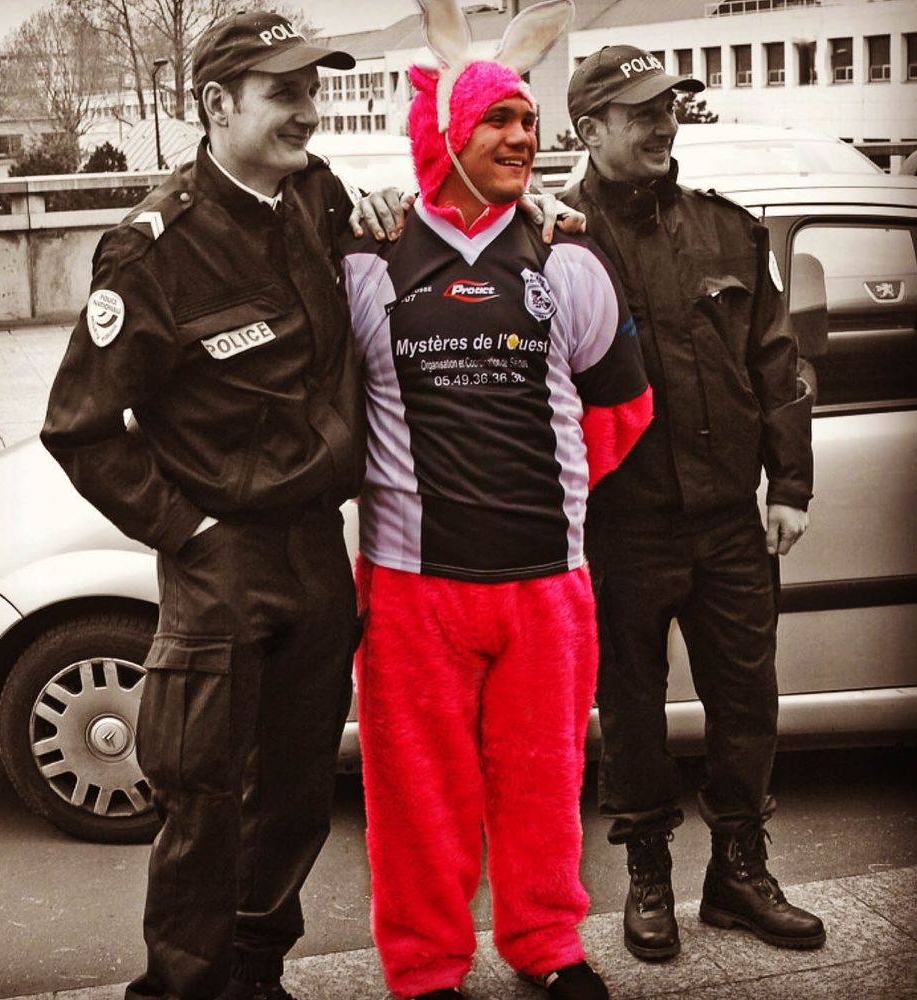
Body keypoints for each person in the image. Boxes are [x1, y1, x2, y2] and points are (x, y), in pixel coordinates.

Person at [41, 12, 375, 1000]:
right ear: (217, 104)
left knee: (297, 793)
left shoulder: (315, 197)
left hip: (316, 548)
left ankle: (257, 975)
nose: (306, 111)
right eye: (284, 93)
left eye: (311, 91)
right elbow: (80, 427)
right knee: (203, 804)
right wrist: (186, 529)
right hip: (223, 564)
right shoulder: (153, 251)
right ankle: (184, 989)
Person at [340, 3, 653, 998]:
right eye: (499, 121)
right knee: (415, 795)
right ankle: (426, 964)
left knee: (544, 783)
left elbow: (621, 410)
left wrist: (542, 495)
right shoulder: (368, 258)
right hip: (411, 591)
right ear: (447, 135)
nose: (523, 137)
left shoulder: (566, 255)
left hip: (545, 588)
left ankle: (545, 942)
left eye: (528, 120)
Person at [560, 46, 826, 962]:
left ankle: (739, 875)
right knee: (631, 708)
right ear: (589, 129)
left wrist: (789, 484)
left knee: (747, 700)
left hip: (727, 521)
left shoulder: (726, 229)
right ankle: (648, 878)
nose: (663, 125)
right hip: (620, 525)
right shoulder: (554, 240)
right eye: (641, 112)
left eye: (669, 108)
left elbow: (776, 361)